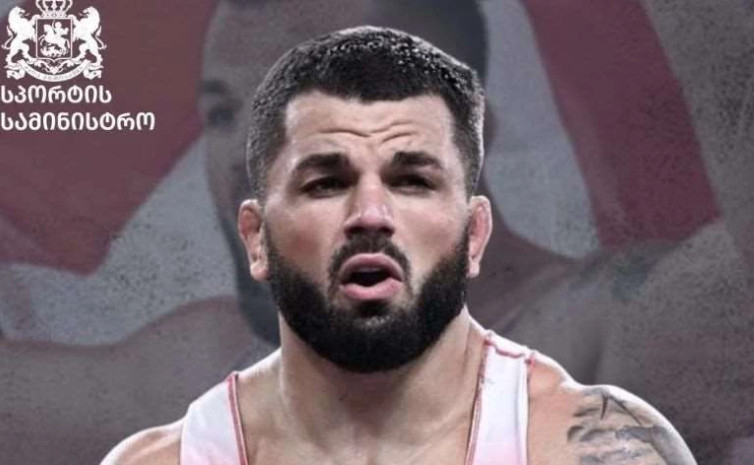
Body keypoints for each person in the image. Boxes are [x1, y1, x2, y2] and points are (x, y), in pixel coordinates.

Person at [102, 27, 695, 465]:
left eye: (412, 181)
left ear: (475, 235)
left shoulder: (589, 449)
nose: (370, 215)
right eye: (327, 183)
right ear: (257, 238)